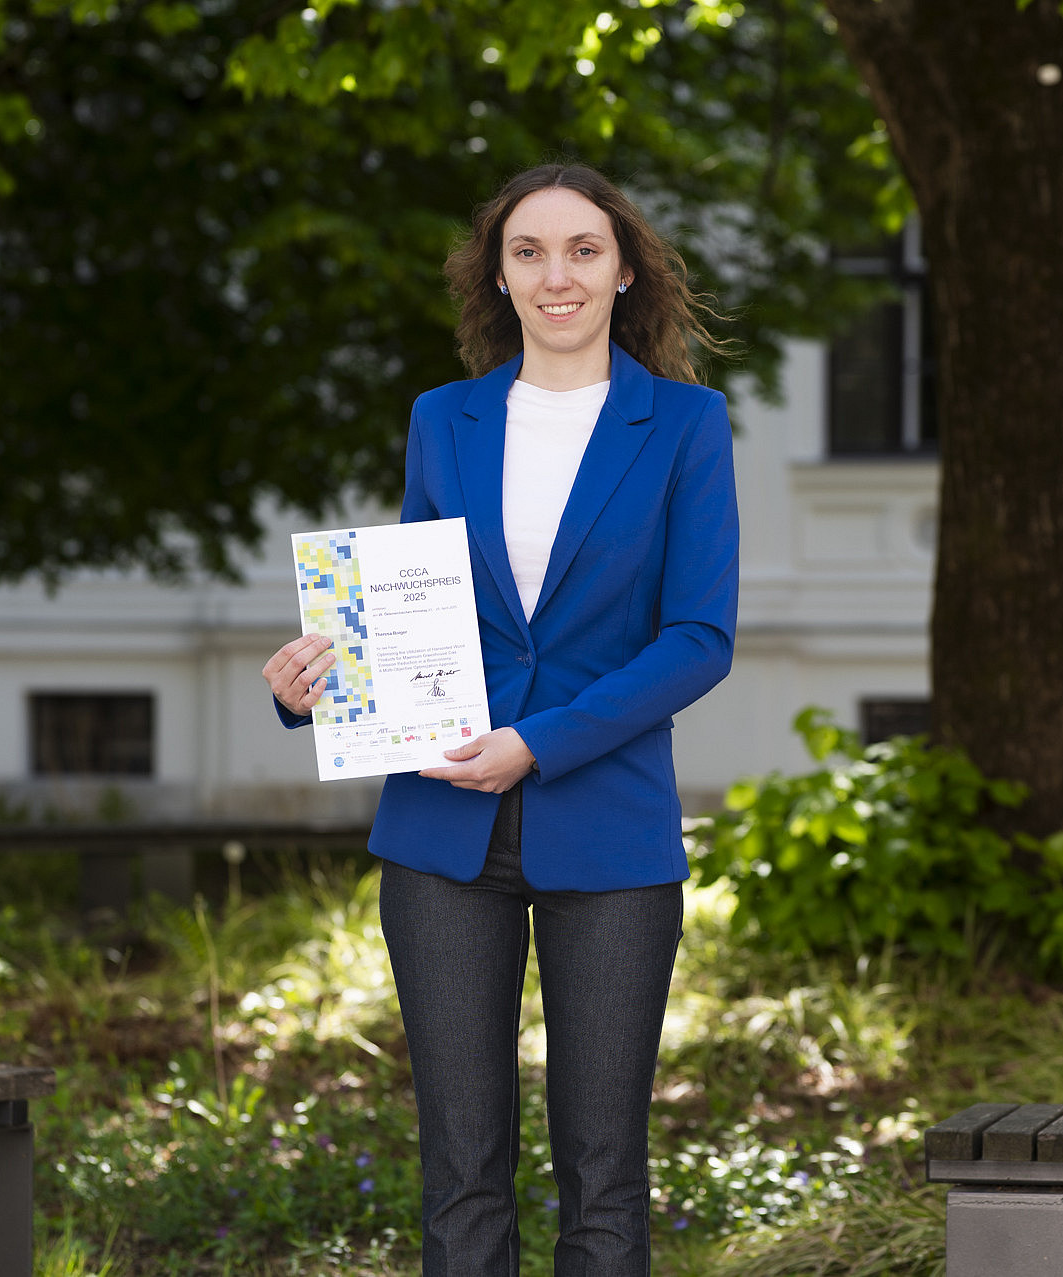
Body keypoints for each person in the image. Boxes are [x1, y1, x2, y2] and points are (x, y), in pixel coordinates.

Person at [261, 161, 739, 1276]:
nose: (555, 273)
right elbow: (409, 610)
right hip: (439, 833)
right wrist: (316, 681)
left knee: (605, 1172)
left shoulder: (683, 424)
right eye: (528, 251)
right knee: (461, 1170)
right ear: (498, 273)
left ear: (623, 271)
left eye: (582, 250)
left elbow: (697, 638)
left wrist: (542, 739)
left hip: (609, 831)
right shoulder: (445, 419)